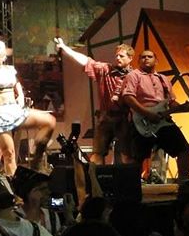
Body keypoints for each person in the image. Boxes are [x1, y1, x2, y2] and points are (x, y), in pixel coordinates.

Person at [0, 39, 56, 176]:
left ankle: (36, 161)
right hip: (0, 114)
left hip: (15, 110)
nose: (0, 50)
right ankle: (15, 186)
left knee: (49, 121)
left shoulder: (9, 69)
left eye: (2, 48)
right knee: (9, 153)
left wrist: (20, 97)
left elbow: (16, 85)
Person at [54, 38, 133, 166]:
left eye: (121, 56)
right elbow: (86, 61)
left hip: (125, 118)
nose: (118, 58)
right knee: (98, 153)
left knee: (127, 154)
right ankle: (94, 177)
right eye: (116, 55)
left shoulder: (134, 76)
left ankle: (129, 178)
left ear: (130, 58)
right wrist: (65, 48)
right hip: (106, 116)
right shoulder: (106, 69)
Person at [121, 50, 189, 185]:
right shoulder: (133, 75)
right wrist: (147, 113)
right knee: (138, 158)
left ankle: (184, 183)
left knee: (184, 149)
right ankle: (132, 188)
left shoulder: (163, 79)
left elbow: (170, 102)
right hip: (141, 121)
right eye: (143, 57)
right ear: (138, 61)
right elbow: (128, 97)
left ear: (156, 60)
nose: (146, 59)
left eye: (150, 56)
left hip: (162, 121)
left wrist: (182, 107)